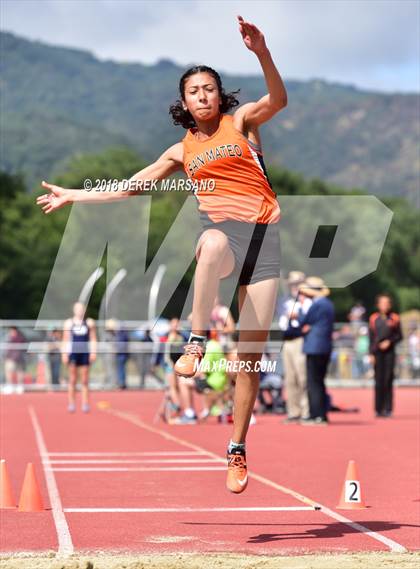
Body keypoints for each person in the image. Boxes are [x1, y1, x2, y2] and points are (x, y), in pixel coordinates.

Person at [36, 15, 287, 493]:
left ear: (220, 95)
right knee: (210, 242)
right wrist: (73, 194)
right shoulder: (180, 150)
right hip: (225, 239)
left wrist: (262, 53)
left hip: (264, 243)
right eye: (195, 90)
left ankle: (236, 447)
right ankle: (196, 340)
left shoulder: (242, 121)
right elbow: (131, 188)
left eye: (210, 87)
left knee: (248, 359)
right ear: (185, 102)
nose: (204, 95)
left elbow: (278, 99)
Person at [293, 277, 335, 426]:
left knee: (314, 382)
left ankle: (317, 415)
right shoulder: (328, 304)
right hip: (324, 347)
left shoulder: (317, 305)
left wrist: (300, 310)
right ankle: (320, 414)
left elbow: (304, 320)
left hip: (314, 347)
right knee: (319, 382)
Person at [278, 271, 311, 423]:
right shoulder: (284, 301)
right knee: (290, 378)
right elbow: (281, 322)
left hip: (300, 340)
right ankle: (293, 411)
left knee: (302, 377)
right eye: (292, 284)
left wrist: (297, 315)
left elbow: (308, 319)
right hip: (287, 340)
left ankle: (306, 411)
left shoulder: (307, 301)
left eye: (297, 284)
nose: (294, 287)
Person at [369, 294, 403, 417]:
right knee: (378, 381)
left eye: (387, 303)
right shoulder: (373, 318)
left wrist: (389, 341)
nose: (385, 305)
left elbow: (399, 336)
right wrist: (371, 354)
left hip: (389, 353)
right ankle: (378, 409)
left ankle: (388, 408)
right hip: (377, 353)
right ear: (378, 305)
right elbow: (371, 338)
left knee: (388, 379)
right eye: (382, 303)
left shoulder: (394, 318)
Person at [62, 301, 97, 413]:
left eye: (81, 309)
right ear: (74, 310)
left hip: (85, 353)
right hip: (73, 352)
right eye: (77, 309)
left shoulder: (90, 323)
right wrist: (64, 354)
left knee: (85, 379)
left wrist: (93, 352)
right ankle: (71, 403)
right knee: (72, 379)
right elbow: (65, 339)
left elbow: (93, 338)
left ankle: (85, 403)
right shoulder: (69, 323)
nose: (80, 311)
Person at [4, 327, 26, 392]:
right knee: (8, 371)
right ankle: (10, 385)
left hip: (19, 358)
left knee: (20, 372)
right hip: (10, 358)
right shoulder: (8, 337)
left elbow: (24, 348)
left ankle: (20, 386)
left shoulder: (20, 338)